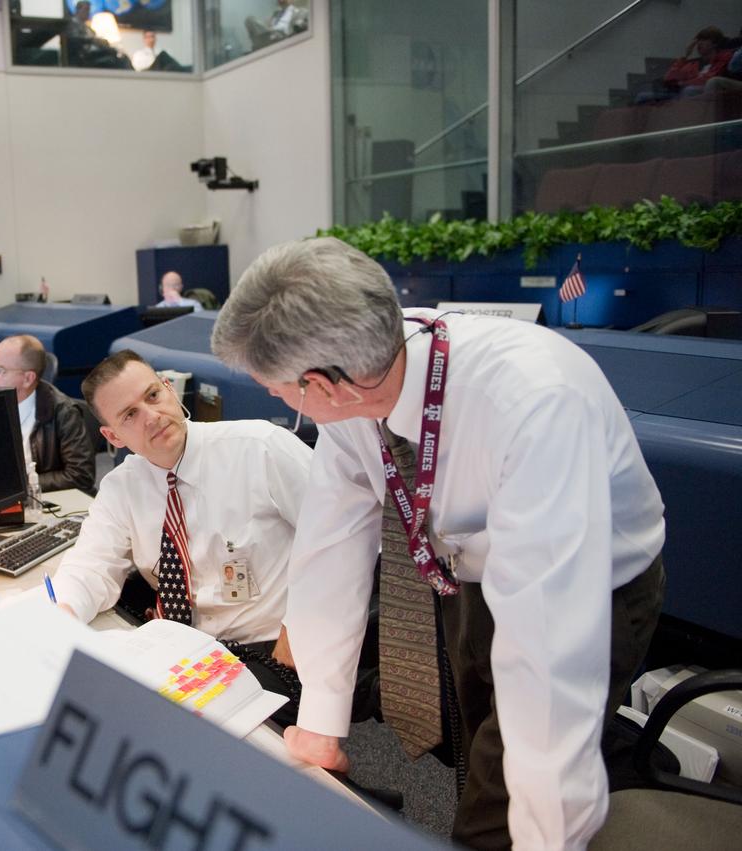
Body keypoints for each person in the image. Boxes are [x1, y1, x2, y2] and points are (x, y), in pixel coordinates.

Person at [210, 237, 666, 849]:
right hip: (464, 571)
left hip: (593, 580)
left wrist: (545, 835)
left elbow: (549, 658)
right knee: (480, 739)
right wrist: (320, 720)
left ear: (326, 383)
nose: (275, 398)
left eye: (276, 388)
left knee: (522, 768)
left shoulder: (533, 402)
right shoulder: (363, 387)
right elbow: (330, 549)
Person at [52, 350, 312, 724]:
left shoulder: (260, 447)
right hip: (185, 653)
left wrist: (300, 628)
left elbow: (341, 544)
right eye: (129, 415)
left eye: (152, 396)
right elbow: (91, 565)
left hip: (269, 649)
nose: (151, 416)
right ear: (113, 436)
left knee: (181, 735)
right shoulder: (123, 486)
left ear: (170, 389)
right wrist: (63, 613)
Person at [0, 334, 95, 493]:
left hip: (46, 503)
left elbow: (80, 476)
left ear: (28, 379)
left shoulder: (64, 412)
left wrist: (23, 485)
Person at [637, 26, 734, 102]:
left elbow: (708, 79)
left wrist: (682, 84)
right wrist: (685, 55)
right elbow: (669, 78)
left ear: (714, 43)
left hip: (698, 93)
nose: (699, 44)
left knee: (689, 90)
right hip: (680, 93)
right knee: (642, 97)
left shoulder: (723, 57)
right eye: (698, 40)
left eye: (704, 40)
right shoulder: (694, 64)